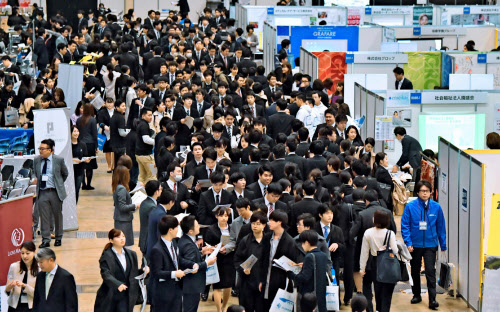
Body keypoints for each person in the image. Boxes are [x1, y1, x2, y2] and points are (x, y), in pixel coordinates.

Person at [401, 180, 446, 310]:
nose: (425, 193)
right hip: (415, 245)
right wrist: (408, 242)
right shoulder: (410, 207)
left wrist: (443, 245)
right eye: (422, 191)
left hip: (431, 244)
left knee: (430, 271)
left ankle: (432, 299)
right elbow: (405, 226)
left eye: (427, 191)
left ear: (431, 192)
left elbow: (441, 227)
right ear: (418, 192)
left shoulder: (436, 207)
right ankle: (416, 294)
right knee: (415, 271)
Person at [94, 229, 147, 312]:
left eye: (123, 236)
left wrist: (142, 271)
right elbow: (106, 274)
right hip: (111, 296)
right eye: (118, 237)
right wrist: (118, 284)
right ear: (111, 240)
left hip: (127, 296)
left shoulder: (131, 254)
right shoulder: (106, 256)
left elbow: (132, 273)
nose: (122, 239)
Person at [359, 209, 398, 312]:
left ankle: (372, 309)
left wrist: (362, 268)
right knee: (386, 293)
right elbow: (395, 250)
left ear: (375, 220)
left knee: (373, 288)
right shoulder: (390, 233)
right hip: (387, 264)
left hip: (373, 263)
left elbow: (364, 252)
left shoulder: (368, 232)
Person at [260, 210, 299, 311]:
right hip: (266, 278)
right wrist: (261, 280)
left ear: (279, 222)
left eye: (272, 220)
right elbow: (263, 259)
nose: (269, 222)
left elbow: (292, 264)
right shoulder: (267, 237)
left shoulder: (290, 241)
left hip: (281, 280)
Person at [178, 215, 217, 312]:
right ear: (190, 231)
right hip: (191, 285)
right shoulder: (188, 244)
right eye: (196, 225)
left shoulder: (186, 240)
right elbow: (191, 266)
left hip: (190, 285)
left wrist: (201, 252)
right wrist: (207, 263)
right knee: (190, 309)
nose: (199, 226)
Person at [34, 139, 68, 248]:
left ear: (50, 150)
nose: (40, 151)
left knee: (57, 216)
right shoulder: (36, 160)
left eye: (43, 149)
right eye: (39, 148)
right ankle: (46, 239)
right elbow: (36, 174)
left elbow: (65, 173)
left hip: (55, 192)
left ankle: (58, 238)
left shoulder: (58, 160)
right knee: (44, 217)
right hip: (42, 192)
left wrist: (58, 184)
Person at [149, 215, 189, 312]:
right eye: (176, 227)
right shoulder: (157, 250)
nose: (178, 229)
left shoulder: (173, 243)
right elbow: (157, 272)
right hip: (163, 294)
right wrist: (174, 274)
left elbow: (177, 260)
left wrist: (192, 264)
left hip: (176, 291)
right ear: (170, 230)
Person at [233, 210, 267, 312]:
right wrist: (243, 269)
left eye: (258, 224)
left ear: (264, 225)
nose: (255, 226)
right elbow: (237, 259)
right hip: (246, 283)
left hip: (262, 283)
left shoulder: (269, 241)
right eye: (253, 223)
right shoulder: (245, 241)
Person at [288, 230, 329, 312]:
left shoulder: (309, 256)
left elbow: (304, 277)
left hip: (309, 295)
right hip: (320, 293)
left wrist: (291, 274)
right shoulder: (323, 255)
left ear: (307, 242)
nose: (302, 246)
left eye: (302, 243)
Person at [205, 207, 236, 312]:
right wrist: (217, 247)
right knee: (217, 286)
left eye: (226, 216)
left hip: (229, 258)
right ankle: (219, 310)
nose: (224, 218)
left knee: (228, 285)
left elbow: (236, 242)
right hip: (217, 259)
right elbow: (207, 245)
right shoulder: (211, 229)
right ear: (216, 216)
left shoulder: (232, 228)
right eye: (221, 215)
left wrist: (227, 248)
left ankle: (224, 307)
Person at [6, 241, 38, 311]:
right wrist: (8, 288)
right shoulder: (14, 267)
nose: (24, 256)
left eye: (27, 253)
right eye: (22, 253)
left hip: (31, 307)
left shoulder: (40, 269)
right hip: (14, 306)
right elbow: (7, 291)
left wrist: (24, 286)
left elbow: (39, 294)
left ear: (34, 252)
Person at [112, 166, 140, 247]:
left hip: (122, 219)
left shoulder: (117, 186)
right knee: (125, 245)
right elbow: (122, 207)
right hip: (123, 220)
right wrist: (135, 205)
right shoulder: (121, 189)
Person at [146, 189, 176, 259]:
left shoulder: (155, 210)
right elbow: (160, 234)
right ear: (170, 202)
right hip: (156, 250)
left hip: (151, 246)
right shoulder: (161, 214)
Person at [76, 103, 98, 190]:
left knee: (82, 165)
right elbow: (94, 134)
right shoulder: (93, 120)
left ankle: (83, 184)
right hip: (90, 144)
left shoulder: (79, 120)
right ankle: (88, 184)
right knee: (90, 166)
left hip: (81, 143)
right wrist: (96, 146)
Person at [138, 180, 162, 255]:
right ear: (156, 192)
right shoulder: (151, 207)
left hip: (145, 239)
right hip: (149, 241)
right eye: (160, 189)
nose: (161, 191)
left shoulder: (144, 202)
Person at [135, 108, 157, 184]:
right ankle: (152, 194)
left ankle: (139, 193)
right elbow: (146, 139)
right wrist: (156, 142)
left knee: (142, 176)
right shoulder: (144, 125)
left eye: (151, 115)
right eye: (149, 115)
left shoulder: (141, 123)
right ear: (143, 116)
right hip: (146, 155)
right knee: (153, 176)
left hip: (139, 154)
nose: (151, 117)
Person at [71, 125, 90, 204]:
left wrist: (87, 160)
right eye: (74, 131)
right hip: (70, 172)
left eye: (77, 131)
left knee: (76, 190)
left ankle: (74, 207)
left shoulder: (82, 144)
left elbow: (85, 156)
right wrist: (73, 160)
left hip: (79, 171)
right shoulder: (68, 145)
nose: (76, 133)